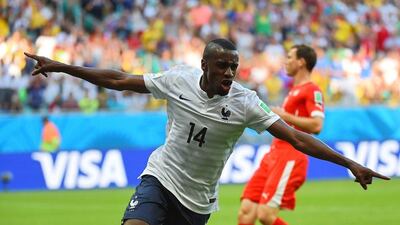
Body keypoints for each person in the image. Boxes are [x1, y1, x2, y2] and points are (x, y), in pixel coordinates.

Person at [24, 38, 389, 225]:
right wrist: (61, 66)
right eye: (222, 66)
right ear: (204, 65)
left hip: (198, 202)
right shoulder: (178, 79)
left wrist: (349, 163)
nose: (229, 73)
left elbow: (296, 137)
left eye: (234, 67)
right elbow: (120, 79)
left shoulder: (246, 102)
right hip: (160, 178)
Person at [238, 45, 325, 225]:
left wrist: (285, 116)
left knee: (265, 215)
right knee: (246, 210)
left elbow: (317, 125)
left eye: (289, 57)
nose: (286, 61)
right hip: (274, 153)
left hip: (291, 154)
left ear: (301, 62)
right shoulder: (293, 90)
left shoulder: (312, 90)